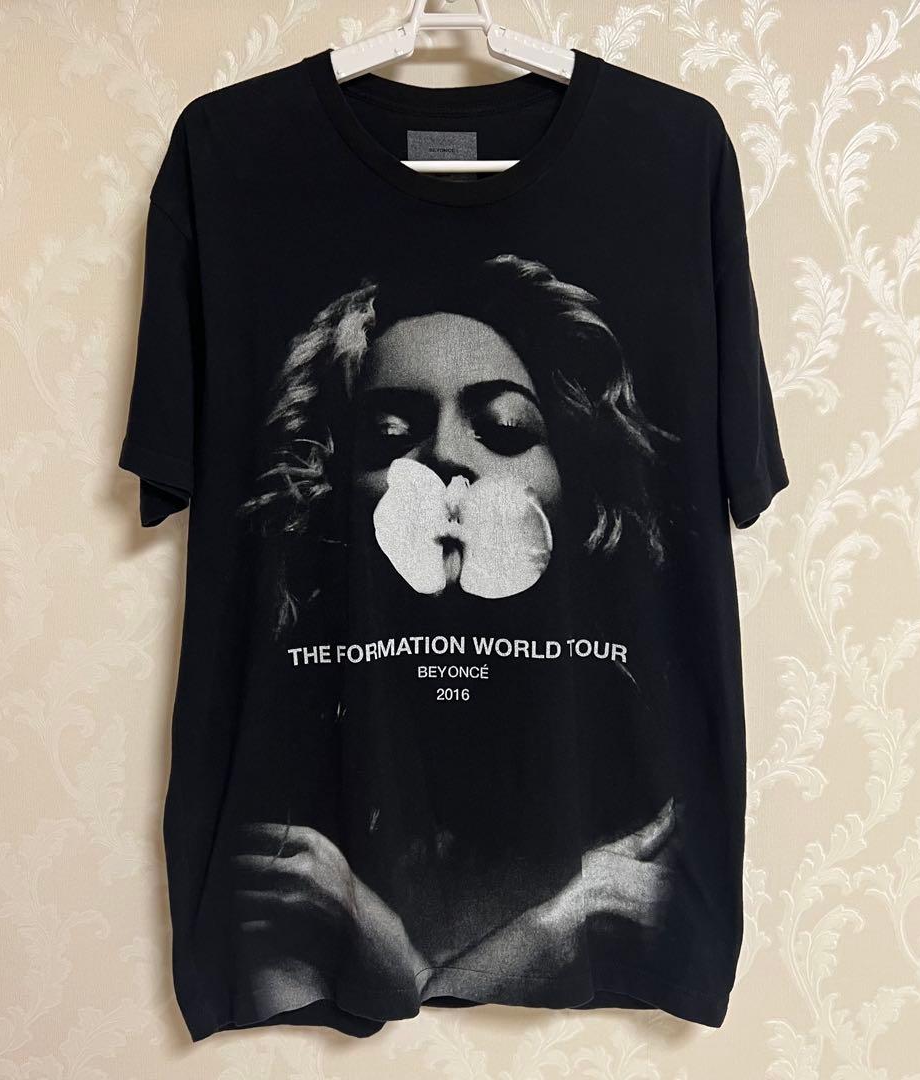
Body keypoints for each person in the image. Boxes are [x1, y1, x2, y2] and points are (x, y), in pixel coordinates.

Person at [225, 253, 682, 1006]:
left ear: (577, 489)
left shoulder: (651, 776)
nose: (441, 455)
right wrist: (559, 929)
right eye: (388, 434)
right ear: (334, 495)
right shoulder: (285, 775)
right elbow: (284, 1035)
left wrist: (376, 944)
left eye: (504, 428)